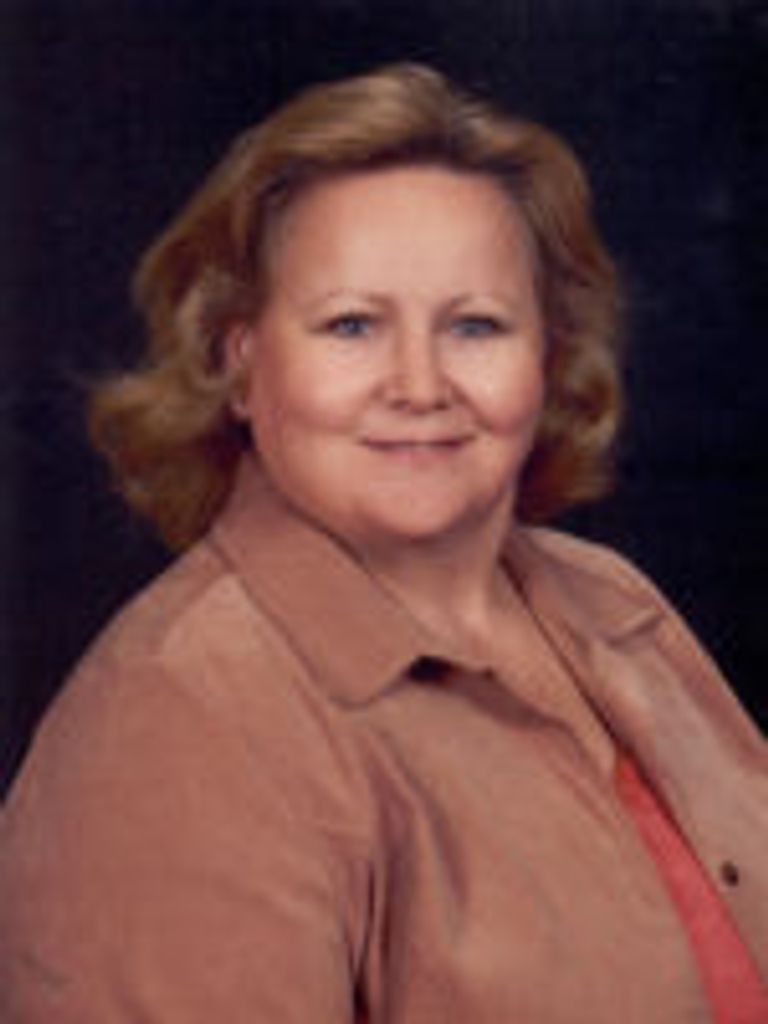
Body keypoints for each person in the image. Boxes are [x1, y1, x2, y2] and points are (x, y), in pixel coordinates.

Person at [0, 62, 765, 1023]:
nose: (419, 385)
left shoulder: (612, 602)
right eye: (352, 325)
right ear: (239, 360)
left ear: (548, 354)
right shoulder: (175, 723)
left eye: (476, 326)